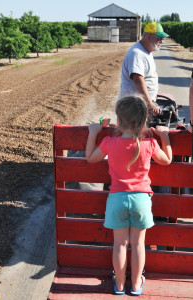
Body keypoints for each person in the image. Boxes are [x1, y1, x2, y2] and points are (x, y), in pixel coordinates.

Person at [85, 94, 172, 296]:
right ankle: (136, 284)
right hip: (141, 200)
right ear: (143, 121)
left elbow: (90, 158)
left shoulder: (108, 142)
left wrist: (93, 131)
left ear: (118, 120)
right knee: (139, 244)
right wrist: (164, 136)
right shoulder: (149, 144)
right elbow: (167, 160)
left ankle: (121, 284)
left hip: (117, 200)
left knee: (120, 244)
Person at [119, 22, 169, 115]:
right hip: (133, 107)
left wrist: (153, 95)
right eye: (159, 38)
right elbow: (138, 79)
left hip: (140, 104)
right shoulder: (137, 53)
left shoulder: (146, 52)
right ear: (149, 37)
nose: (161, 41)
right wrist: (150, 104)